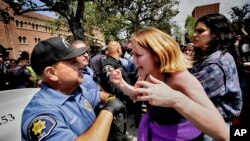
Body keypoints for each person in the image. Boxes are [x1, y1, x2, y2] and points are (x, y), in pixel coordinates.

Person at [108, 27, 229, 141]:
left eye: (138, 55)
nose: (133, 59)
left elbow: (222, 133)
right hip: (156, 133)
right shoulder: (144, 73)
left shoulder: (180, 77)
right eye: (132, 53)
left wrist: (175, 99)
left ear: (157, 55)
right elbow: (136, 95)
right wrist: (121, 83)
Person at [21, 37, 126, 141]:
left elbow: (98, 95)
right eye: (73, 62)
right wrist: (108, 110)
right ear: (51, 73)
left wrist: (110, 98)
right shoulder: (42, 113)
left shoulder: (74, 90)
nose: (80, 65)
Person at [190, 13, 242, 126]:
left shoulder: (217, 62)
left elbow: (190, 91)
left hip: (214, 126)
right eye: (195, 30)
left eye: (200, 31)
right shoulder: (209, 56)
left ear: (215, 34)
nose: (194, 34)